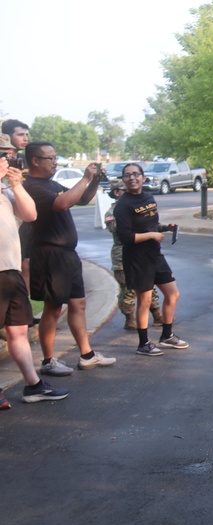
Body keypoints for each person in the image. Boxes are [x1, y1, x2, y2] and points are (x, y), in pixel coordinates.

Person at [23, 141, 116, 375]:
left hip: (67, 255)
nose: (55, 162)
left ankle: (87, 355)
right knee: (53, 308)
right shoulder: (33, 186)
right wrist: (84, 178)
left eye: (55, 158)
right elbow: (62, 203)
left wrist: (94, 180)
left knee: (78, 303)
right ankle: (48, 361)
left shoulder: (51, 183)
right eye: (50, 158)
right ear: (35, 161)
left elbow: (81, 199)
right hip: (50, 255)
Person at [0, 149, 68, 405]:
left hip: (10, 271)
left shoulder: (6, 192)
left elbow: (30, 215)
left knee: (18, 331)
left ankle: (33, 385)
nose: (5, 161)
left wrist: (16, 185)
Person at [114, 163, 188, 356]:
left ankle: (167, 335)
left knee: (173, 294)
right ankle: (143, 343)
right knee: (144, 301)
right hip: (137, 259)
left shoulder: (148, 197)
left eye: (136, 174)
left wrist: (165, 228)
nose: (132, 178)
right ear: (123, 180)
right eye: (127, 175)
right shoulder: (123, 205)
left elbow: (152, 225)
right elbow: (126, 237)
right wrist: (152, 236)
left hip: (155, 255)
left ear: (143, 178)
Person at [104, 179, 164, 329]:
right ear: (117, 193)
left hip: (143, 253)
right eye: (124, 189)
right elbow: (120, 231)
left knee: (149, 286)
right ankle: (129, 318)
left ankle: (157, 315)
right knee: (129, 290)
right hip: (122, 255)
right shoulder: (112, 212)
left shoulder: (138, 205)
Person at [1, 121, 32, 290]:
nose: (8, 159)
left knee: (25, 263)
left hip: (16, 224)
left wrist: (16, 184)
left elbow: (30, 214)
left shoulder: (23, 161)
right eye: (3, 154)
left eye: (10, 154)